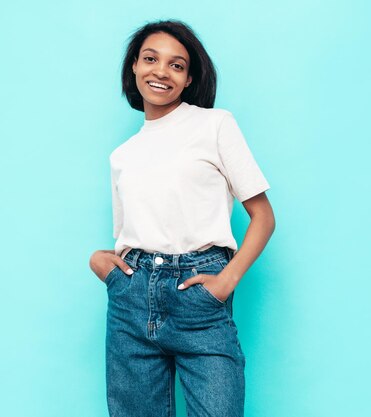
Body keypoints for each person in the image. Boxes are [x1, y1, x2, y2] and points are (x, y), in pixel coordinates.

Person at [88, 19, 276, 417]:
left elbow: (262, 216)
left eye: (176, 65)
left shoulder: (215, 124)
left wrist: (226, 281)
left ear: (189, 78)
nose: (160, 71)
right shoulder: (122, 155)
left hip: (198, 292)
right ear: (134, 68)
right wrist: (101, 264)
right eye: (150, 59)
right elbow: (127, 235)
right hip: (131, 299)